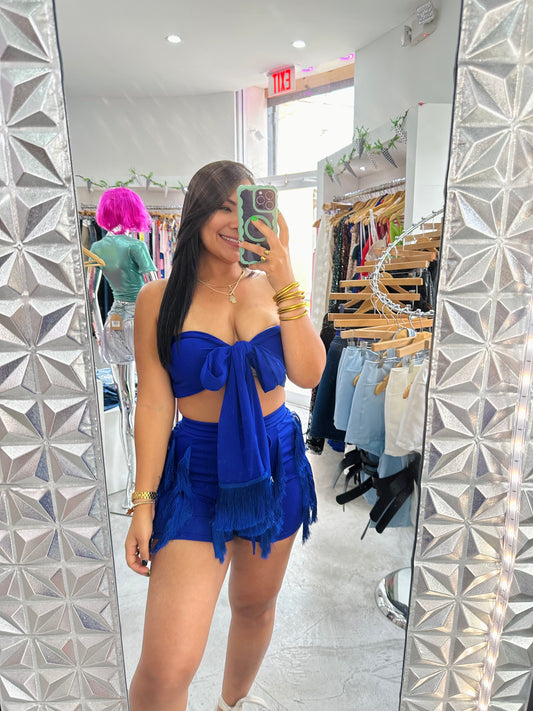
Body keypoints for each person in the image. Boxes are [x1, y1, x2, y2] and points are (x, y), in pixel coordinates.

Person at [125, 160, 326, 711]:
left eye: (247, 207)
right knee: (165, 667)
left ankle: (230, 704)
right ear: (197, 213)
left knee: (254, 608)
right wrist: (143, 503)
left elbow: (309, 373)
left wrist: (286, 278)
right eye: (223, 207)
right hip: (198, 472)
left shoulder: (272, 286)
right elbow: (155, 403)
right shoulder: (158, 298)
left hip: (274, 461)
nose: (238, 222)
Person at [87, 187, 157, 507]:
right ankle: (147, 483)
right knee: (148, 400)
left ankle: (131, 485)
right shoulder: (136, 246)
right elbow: (155, 290)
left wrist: (98, 333)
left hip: (112, 322)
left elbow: (90, 295)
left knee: (125, 404)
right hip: (140, 321)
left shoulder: (98, 247)